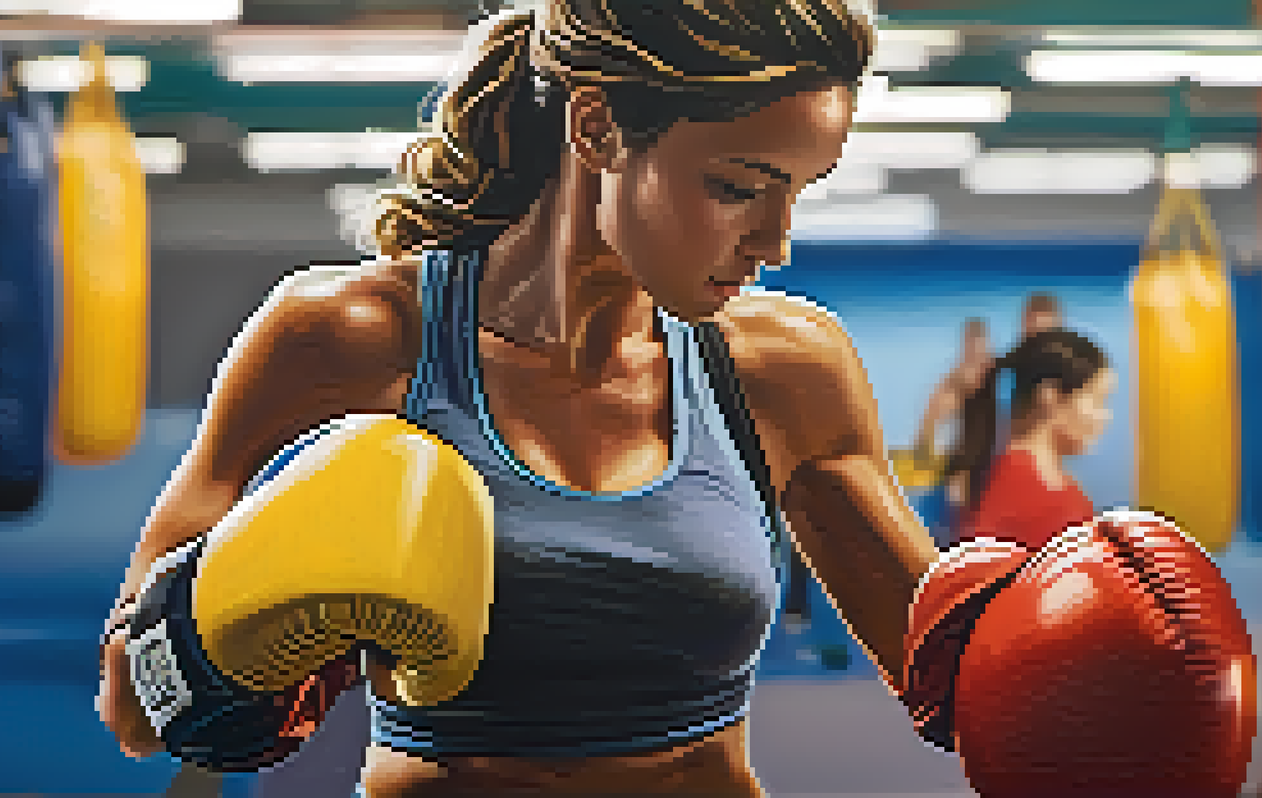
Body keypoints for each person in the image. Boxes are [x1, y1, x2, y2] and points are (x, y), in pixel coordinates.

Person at [99, 2, 942, 796]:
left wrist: (1060, 621)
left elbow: (954, 680)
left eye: (800, 189)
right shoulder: (351, 338)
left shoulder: (783, 369)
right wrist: (223, 649)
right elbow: (134, 707)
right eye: (736, 187)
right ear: (598, 128)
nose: (775, 241)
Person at [943, 328, 1114, 551]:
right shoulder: (1020, 487)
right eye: (1098, 400)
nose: (1106, 416)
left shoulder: (1062, 490)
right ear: (1049, 396)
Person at [908, 317, 992, 547]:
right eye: (972, 354)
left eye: (981, 355)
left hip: (973, 486)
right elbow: (923, 441)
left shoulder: (994, 392)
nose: (977, 365)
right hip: (949, 490)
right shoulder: (948, 390)